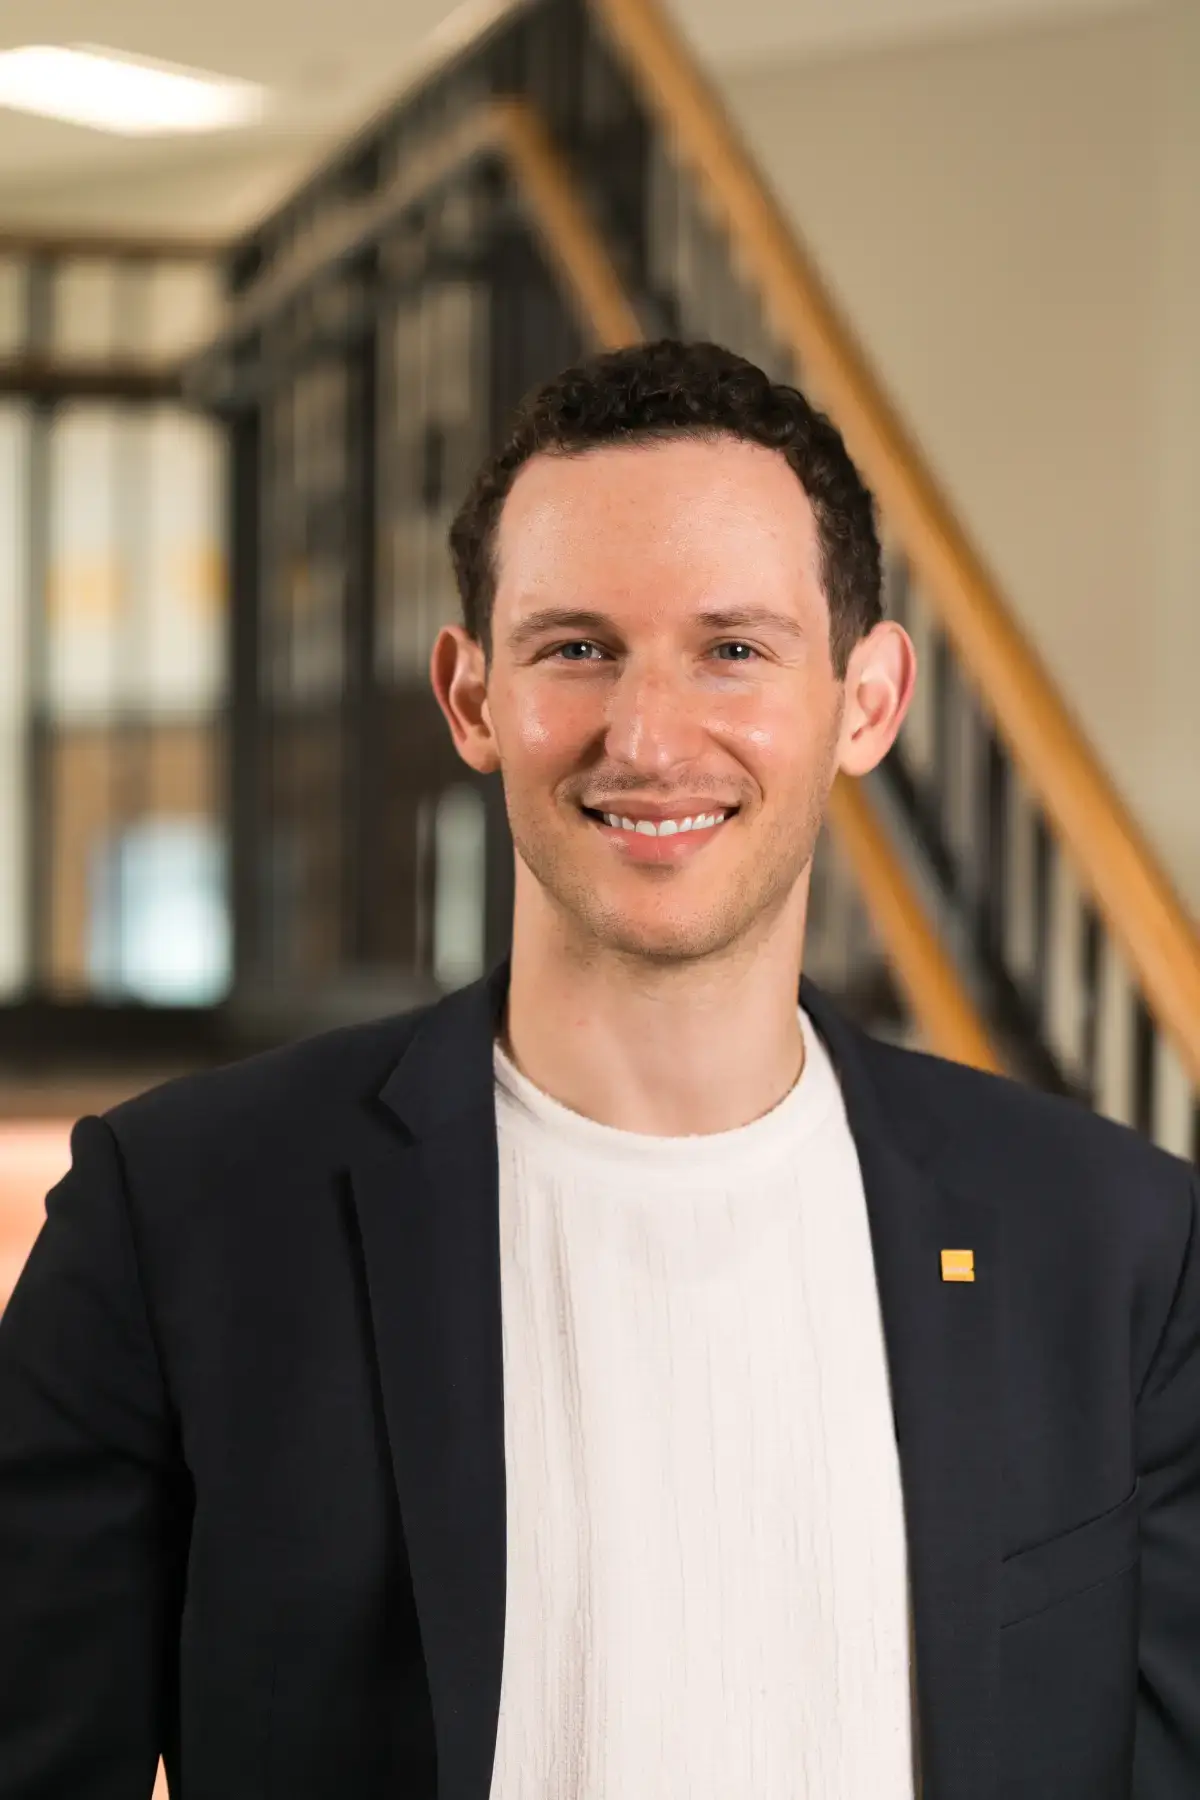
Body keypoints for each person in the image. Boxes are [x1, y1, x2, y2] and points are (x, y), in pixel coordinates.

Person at [0, 339, 1197, 1800]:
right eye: (576, 647)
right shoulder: (176, 1216)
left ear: (867, 701)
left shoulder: (1117, 1246)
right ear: (471, 695)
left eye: (733, 649)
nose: (646, 736)